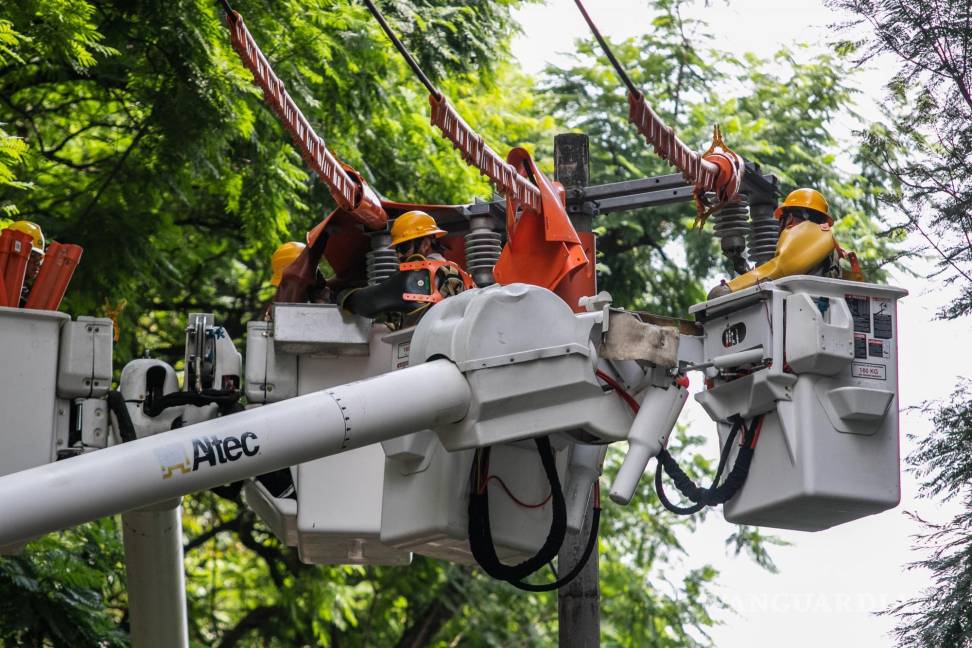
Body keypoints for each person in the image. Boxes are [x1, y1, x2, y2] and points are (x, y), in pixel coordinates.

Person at [708, 188, 861, 298]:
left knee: (717, 295)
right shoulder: (825, 243)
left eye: (781, 219)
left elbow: (779, 268)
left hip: (803, 313)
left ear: (790, 218)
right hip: (814, 307)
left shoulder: (807, 232)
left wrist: (731, 288)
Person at [337, 210, 472, 325]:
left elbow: (371, 303)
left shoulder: (419, 274)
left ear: (425, 244)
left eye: (403, 247)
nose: (399, 255)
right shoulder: (461, 276)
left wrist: (345, 297)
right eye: (397, 249)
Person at [4, 221, 45, 306]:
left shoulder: (29, 293)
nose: (37, 263)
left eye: (40, 258)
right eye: (33, 256)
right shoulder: (4, 285)